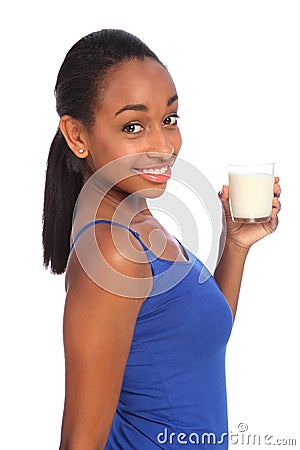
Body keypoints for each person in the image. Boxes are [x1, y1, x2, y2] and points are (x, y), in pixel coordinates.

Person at [42, 29, 281, 450]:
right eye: (133, 126)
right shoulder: (112, 252)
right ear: (78, 136)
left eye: (169, 119)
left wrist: (236, 245)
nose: (164, 145)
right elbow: (80, 443)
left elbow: (192, 338)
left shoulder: (138, 214)